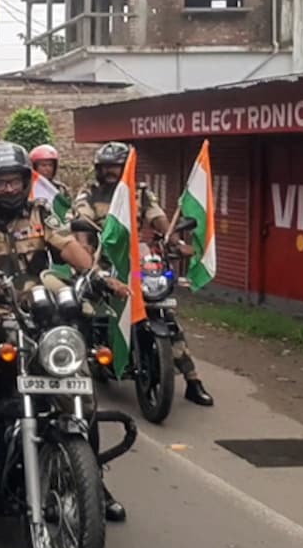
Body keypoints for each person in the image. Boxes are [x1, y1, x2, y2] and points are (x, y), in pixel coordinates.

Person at [0, 141, 130, 521]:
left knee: (77, 382)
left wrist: (98, 275)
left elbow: (69, 247)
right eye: (0, 183)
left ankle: (92, 480)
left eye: (14, 182)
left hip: (37, 317)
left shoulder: (41, 214)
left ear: (26, 182)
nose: (8, 189)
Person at [71, 142, 214, 407]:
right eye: (106, 168)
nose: (111, 172)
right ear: (98, 169)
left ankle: (193, 381)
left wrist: (174, 242)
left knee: (164, 314)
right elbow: (82, 221)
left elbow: (157, 218)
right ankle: (76, 366)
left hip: (136, 258)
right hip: (100, 258)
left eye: (116, 167)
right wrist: (83, 248)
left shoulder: (139, 193)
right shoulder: (89, 192)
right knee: (84, 310)